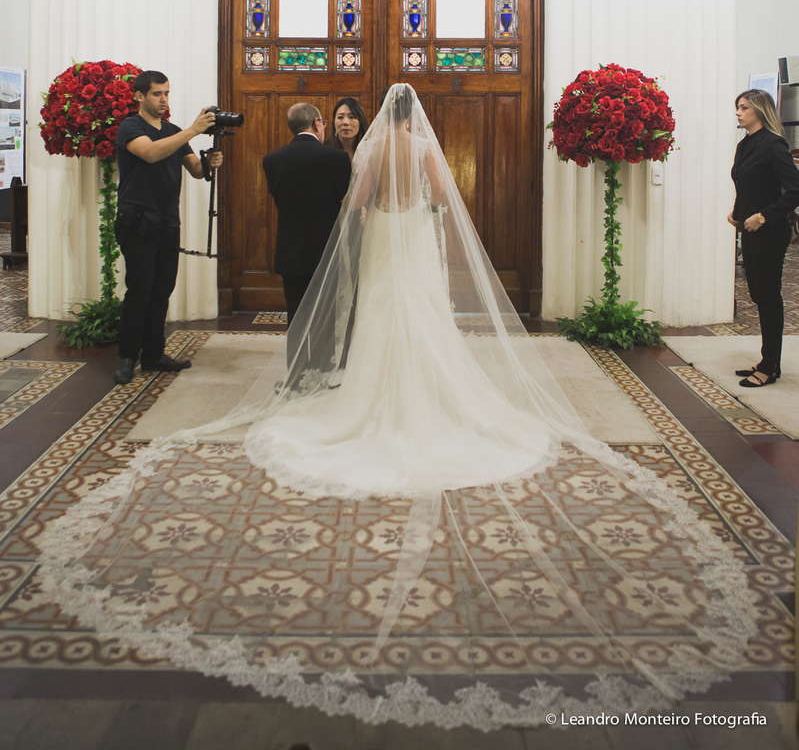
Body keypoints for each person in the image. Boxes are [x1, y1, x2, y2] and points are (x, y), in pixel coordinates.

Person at [43, 86, 755, 728]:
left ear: (381, 117)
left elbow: (354, 208)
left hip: (383, 241)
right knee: (423, 325)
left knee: (380, 321)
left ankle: (365, 397)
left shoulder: (376, 149)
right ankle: (436, 400)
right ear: (422, 120)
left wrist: (365, 216)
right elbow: (445, 203)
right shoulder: (421, 149)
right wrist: (420, 218)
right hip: (415, 242)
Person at [113, 71, 223, 385]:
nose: (163, 100)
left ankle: (153, 355)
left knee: (162, 291)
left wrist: (211, 162)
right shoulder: (130, 127)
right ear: (139, 96)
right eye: (157, 94)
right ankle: (127, 357)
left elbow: (197, 171)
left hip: (167, 222)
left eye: (166, 94)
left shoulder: (174, 131)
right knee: (140, 291)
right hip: (137, 222)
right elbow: (149, 153)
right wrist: (192, 130)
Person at [262, 103, 351, 354]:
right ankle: (321, 370)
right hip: (326, 249)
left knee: (296, 314)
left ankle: (297, 374)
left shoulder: (272, 160)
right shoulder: (336, 158)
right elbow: (345, 200)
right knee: (325, 315)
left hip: (291, 250)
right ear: (316, 124)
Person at [728, 88, 799, 387]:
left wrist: (764, 216)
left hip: (770, 231)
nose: (738, 112)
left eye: (743, 107)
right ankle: (767, 360)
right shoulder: (745, 145)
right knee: (757, 294)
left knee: (768, 297)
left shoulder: (773, 144)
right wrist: (737, 213)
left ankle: (769, 366)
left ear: (759, 109)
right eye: (737, 107)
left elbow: (795, 190)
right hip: (750, 228)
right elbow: (745, 185)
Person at [326, 95, 369, 161]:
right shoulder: (324, 149)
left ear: (361, 121)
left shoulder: (370, 150)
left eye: (351, 117)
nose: (345, 122)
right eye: (340, 117)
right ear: (334, 122)